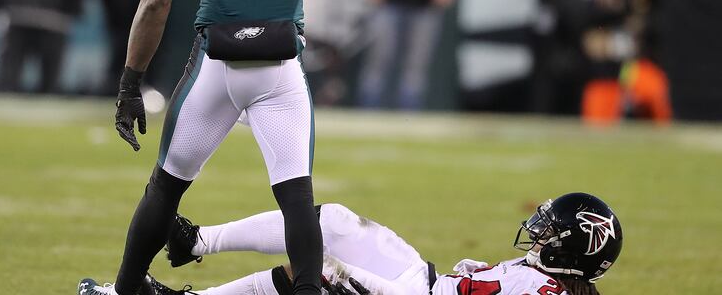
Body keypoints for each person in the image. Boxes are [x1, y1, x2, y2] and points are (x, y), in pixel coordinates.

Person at [78, 0, 397, 294]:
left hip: (216, 63)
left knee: (164, 189)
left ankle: (127, 289)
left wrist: (130, 82)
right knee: (296, 201)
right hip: (279, 64)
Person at [109, 192, 622, 295]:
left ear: (574, 248)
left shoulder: (547, 292)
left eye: (551, 229)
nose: (538, 231)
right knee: (331, 221)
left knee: (324, 265)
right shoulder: (547, 276)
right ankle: (199, 242)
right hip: (425, 280)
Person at [581, 0, 671, 124]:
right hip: (607, 71)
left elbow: (653, 26)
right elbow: (593, 22)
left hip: (633, 66)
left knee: (655, 92)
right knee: (598, 121)